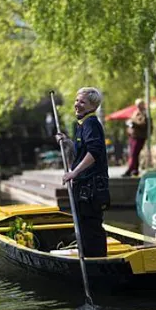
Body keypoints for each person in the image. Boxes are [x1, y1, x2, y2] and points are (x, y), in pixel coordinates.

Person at [55, 87, 110, 258]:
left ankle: (97, 263)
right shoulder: (82, 124)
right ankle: (87, 258)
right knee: (83, 226)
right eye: (76, 100)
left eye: (82, 102)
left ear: (93, 106)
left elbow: (94, 152)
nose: (77, 104)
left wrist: (74, 173)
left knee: (91, 227)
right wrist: (66, 142)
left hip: (92, 189)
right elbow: (80, 151)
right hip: (83, 186)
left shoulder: (91, 124)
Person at [122, 98, 150, 177]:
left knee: (134, 153)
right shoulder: (135, 112)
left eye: (139, 104)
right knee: (132, 154)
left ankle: (130, 169)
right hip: (133, 136)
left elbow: (143, 124)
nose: (137, 106)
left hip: (139, 137)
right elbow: (132, 121)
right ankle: (135, 170)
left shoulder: (144, 113)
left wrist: (133, 123)